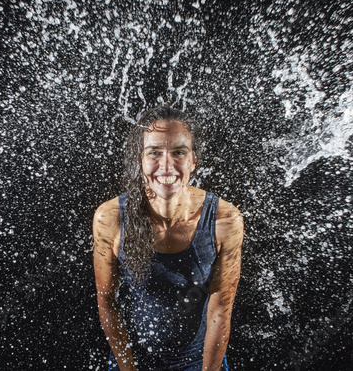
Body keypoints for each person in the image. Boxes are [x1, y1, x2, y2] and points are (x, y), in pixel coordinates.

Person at [93, 105, 244, 371]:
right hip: (132, 361)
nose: (166, 166)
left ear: (193, 160)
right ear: (140, 159)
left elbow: (221, 308)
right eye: (154, 153)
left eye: (178, 152)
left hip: (200, 361)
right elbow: (107, 300)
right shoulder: (110, 219)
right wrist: (128, 368)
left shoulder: (225, 220)